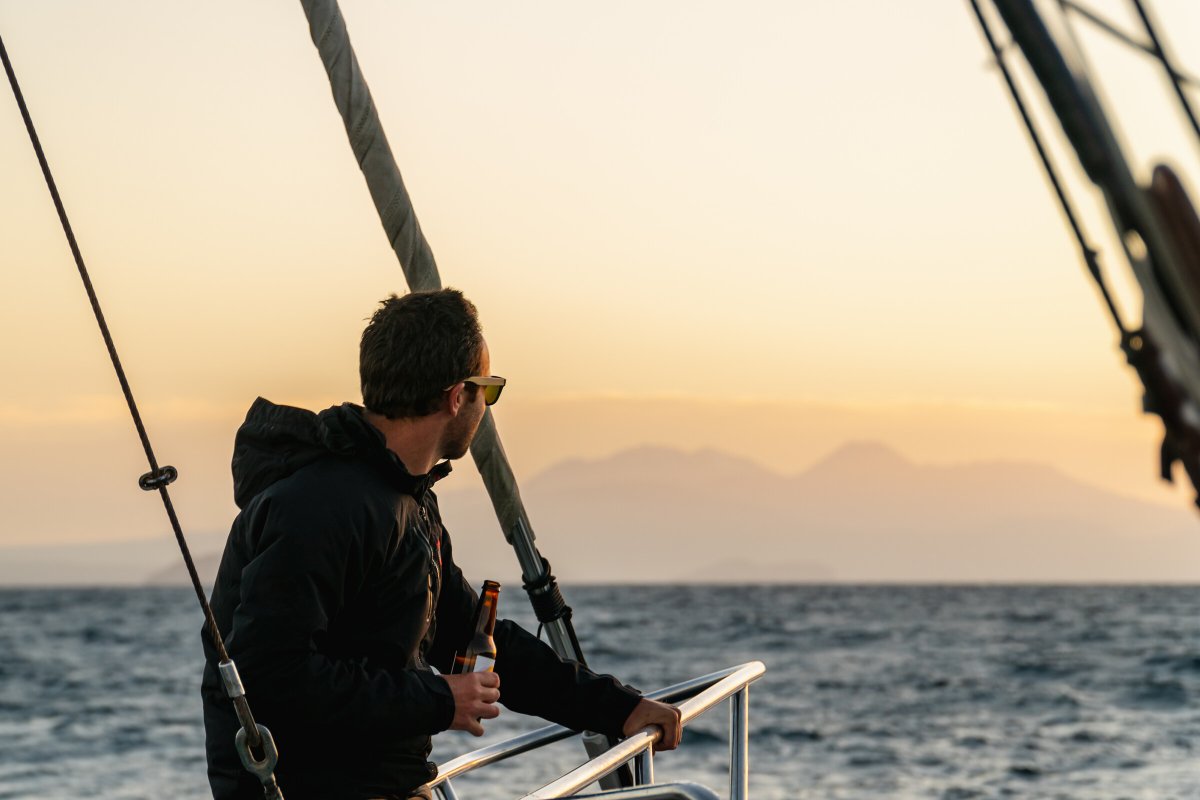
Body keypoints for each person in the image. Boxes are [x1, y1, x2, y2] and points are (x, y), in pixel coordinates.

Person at [201, 289, 681, 800]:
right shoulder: (321, 505)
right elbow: (267, 675)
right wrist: (439, 700)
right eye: (487, 391)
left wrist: (620, 708)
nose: (485, 407)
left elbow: (470, 636)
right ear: (457, 397)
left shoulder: (407, 499)